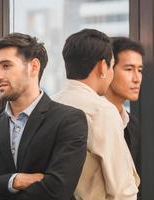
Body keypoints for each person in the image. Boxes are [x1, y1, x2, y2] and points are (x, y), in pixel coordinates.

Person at [0, 32, 88, 200]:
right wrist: (14, 181)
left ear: (33, 66)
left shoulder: (68, 120)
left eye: (6, 66)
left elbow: (57, 190)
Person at [53, 29, 139, 199]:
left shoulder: (50, 104)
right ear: (102, 66)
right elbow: (122, 189)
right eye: (112, 65)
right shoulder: (101, 111)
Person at [105, 36, 144, 197]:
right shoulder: (88, 120)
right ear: (106, 68)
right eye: (129, 69)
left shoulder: (132, 124)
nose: (137, 79)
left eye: (139, 70)